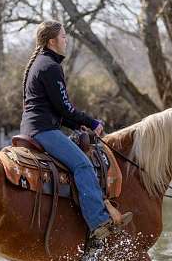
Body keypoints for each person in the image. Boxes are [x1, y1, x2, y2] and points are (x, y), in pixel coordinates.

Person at [20, 20, 131, 244]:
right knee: (83, 165)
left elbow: (55, 108)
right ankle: (99, 222)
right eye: (63, 37)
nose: (66, 40)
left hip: (34, 127)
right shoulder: (51, 67)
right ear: (52, 41)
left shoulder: (40, 63)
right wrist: (91, 122)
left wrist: (75, 125)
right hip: (44, 130)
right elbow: (65, 107)